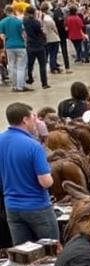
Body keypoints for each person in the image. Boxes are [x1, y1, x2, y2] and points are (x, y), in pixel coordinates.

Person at [0, 103, 58, 242]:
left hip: (12, 208)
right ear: (25, 120)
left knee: (23, 254)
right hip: (37, 207)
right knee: (51, 251)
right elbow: (45, 182)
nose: (36, 121)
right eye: (33, 117)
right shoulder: (33, 146)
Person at [0, 6, 27, 90]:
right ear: (13, 11)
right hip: (20, 45)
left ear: (5, 12)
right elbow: (24, 34)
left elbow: (2, 35)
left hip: (9, 46)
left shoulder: (2, 22)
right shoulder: (18, 21)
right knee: (21, 66)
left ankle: (14, 85)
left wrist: (5, 45)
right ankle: (21, 85)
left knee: (11, 65)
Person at [23, 7, 48, 90]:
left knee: (30, 64)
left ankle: (29, 78)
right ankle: (44, 83)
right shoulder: (36, 22)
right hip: (39, 45)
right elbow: (41, 32)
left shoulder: (25, 21)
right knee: (42, 65)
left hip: (30, 45)